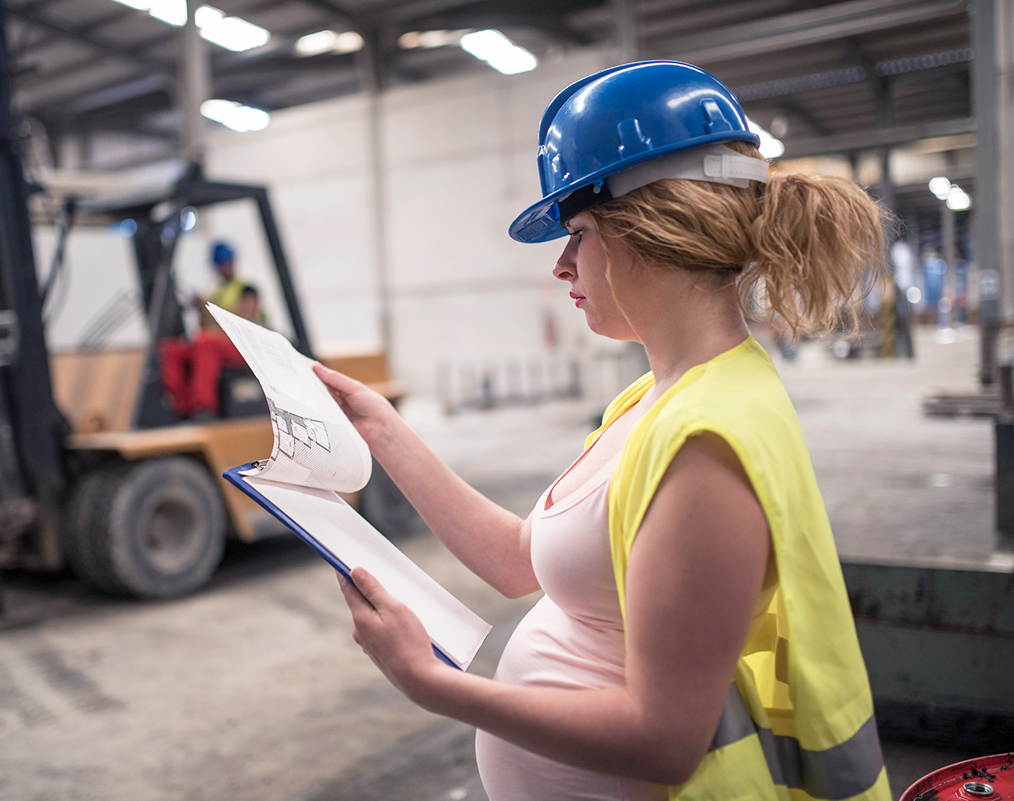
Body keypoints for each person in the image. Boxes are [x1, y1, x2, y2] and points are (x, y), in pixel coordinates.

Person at [314, 61, 891, 801]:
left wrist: (432, 683)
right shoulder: (655, 398)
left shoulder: (704, 444)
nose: (561, 265)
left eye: (577, 233)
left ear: (656, 226)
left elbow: (664, 738)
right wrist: (382, 428)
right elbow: (523, 559)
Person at [160, 240, 264, 419]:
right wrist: (201, 309)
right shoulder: (215, 293)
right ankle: (182, 408)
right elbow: (204, 327)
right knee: (171, 349)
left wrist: (210, 308)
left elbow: (243, 322)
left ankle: (204, 407)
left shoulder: (247, 289)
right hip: (219, 344)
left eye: (227, 262)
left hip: (245, 346)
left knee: (205, 343)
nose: (225, 267)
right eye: (221, 264)